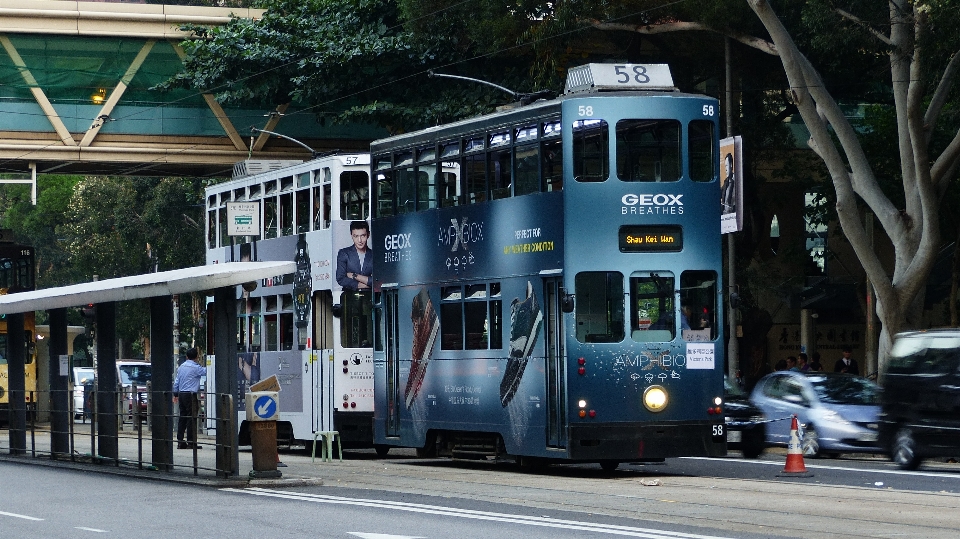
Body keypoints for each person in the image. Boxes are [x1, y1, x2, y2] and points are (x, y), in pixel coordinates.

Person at [173, 348, 205, 449]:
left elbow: (176, 381)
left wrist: (175, 394)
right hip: (191, 395)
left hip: (181, 394)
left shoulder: (181, 367)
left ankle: (180, 441)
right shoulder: (196, 368)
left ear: (187, 356)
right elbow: (207, 371)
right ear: (197, 357)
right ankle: (191, 442)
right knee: (192, 418)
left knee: (182, 417)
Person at [336, 220, 372, 290]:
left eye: (363, 236)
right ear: (351, 235)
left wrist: (354, 276)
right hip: (350, 297)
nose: (359, 240)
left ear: (368, 235)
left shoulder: (374, 255)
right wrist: (366, 285)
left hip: (371, 297)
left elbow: (378, 280)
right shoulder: (344, 253)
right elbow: (341, 279)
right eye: (356, 236)